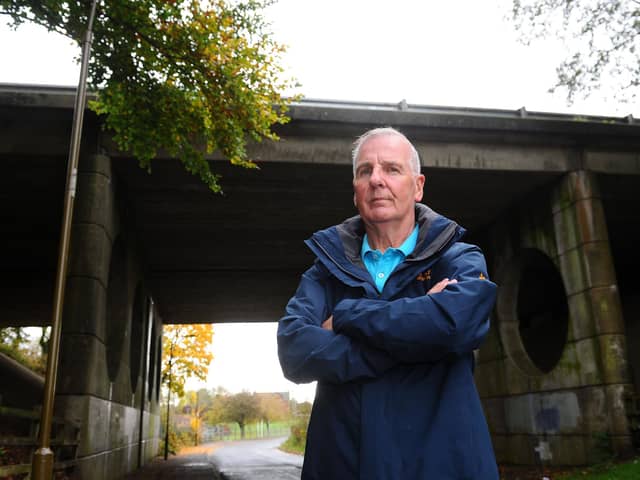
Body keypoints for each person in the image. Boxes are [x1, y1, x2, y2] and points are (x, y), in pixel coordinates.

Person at [277, 127, 498, 479]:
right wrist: (417, 339)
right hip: (343, 466)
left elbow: (456, 324)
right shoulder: (323, 272)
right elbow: (295, 352)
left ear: (418, 185)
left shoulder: (459, 259)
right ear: (355, 191)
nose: (376, 180)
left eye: (391, 169)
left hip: (444, 467)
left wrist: (348, 314)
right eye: (365, 171)